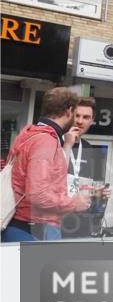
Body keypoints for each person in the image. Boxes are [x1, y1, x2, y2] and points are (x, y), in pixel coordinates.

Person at [2, 88, 92, 242]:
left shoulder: (30, 133)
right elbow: (38, 194)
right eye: (76, 113)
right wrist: (73, 204)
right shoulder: (46, 140)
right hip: (36, 227)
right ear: (69, 111)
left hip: (24, 225)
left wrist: (67, 146)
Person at [61, 97, 112, 238]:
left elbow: (84, 186)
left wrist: (97, 192)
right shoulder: (56, 141)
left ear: (91, 121)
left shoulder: (89, 147)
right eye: (77, 115)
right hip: (55, 220)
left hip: (81, 222)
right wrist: (67, 144)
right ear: (69, 115)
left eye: (86, 117)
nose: (80, 121)